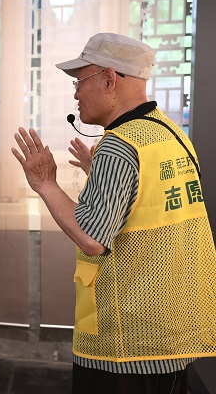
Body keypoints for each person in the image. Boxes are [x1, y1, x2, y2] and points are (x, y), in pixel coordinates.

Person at [11, 32, 216, 394]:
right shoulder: (171, 134)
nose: (76, 94)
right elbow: (151, 206)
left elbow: (92, 240)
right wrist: (100, 174)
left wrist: (46, 183)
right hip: (173, 328)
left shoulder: (120, 145)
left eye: (79, 81)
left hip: (126, 340)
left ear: (109, 79)